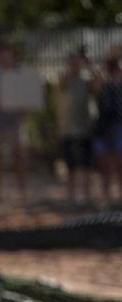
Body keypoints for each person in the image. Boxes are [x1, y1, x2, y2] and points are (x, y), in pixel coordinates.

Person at [0, 43, 27, 205]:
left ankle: (22, 193)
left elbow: (27, 98)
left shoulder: (20, 72)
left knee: (18, 157)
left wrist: (24, 114)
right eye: (1, 54)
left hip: (14, 123)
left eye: (7, 54)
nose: (4, 57)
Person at [57, 49, 95, 205]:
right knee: (70, 166)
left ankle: (86, 197)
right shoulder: (64, 79)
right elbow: (61, 84)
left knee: (86, 165)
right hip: (67, 129)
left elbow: (99, 84)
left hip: (85, 129)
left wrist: (89, 64)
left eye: (77, 62)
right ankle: (70, 198)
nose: (75, 65)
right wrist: (70, 65)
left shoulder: (86, 81)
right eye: (73, 62)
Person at [91, 54, 122, 205]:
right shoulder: (102, 84)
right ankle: (106, 197)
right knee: (104, 166)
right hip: (103, 128)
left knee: (119, 164)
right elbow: (96, 83)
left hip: (118, 127)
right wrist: (103, 68)